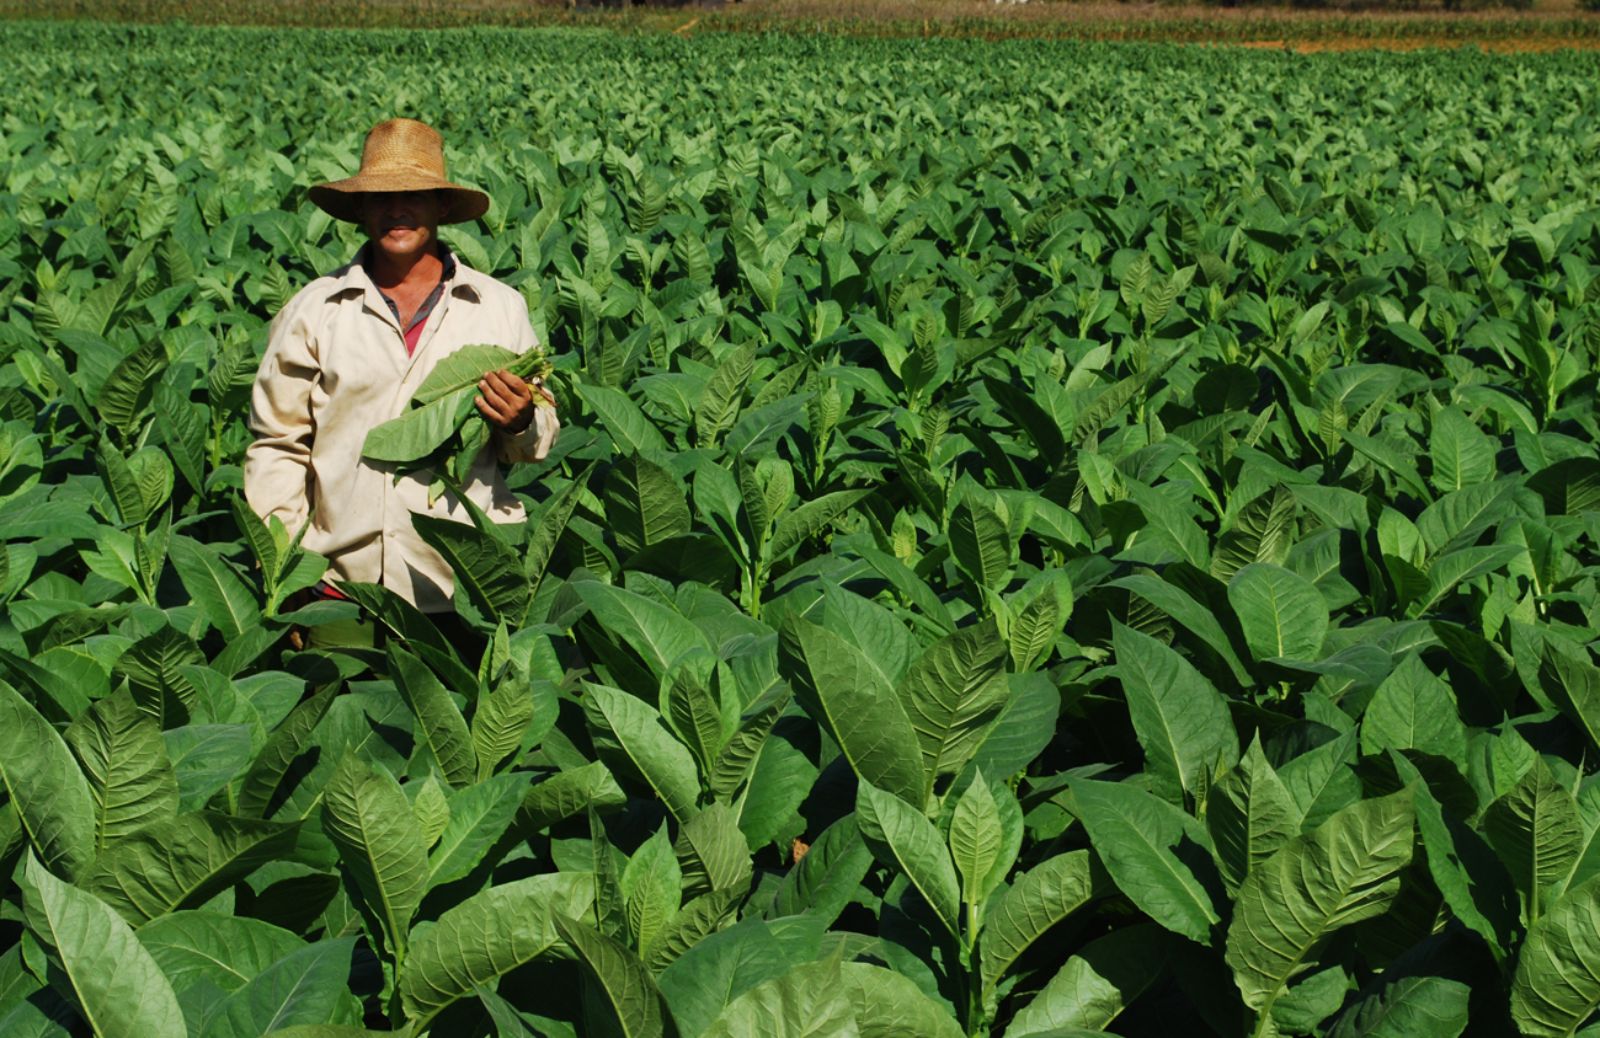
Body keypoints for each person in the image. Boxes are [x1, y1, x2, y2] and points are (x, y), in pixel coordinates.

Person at [244, 118, 558, 644]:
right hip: (337, 588)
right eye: (380, 197)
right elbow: (277, 444)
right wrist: (284, 567)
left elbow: (535, 441)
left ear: (440, 205)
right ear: (360, 210)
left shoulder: (498, 307)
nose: (396, 210)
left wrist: (523, 419)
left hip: (463, 587)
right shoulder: (315, 310)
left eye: (413, 194)